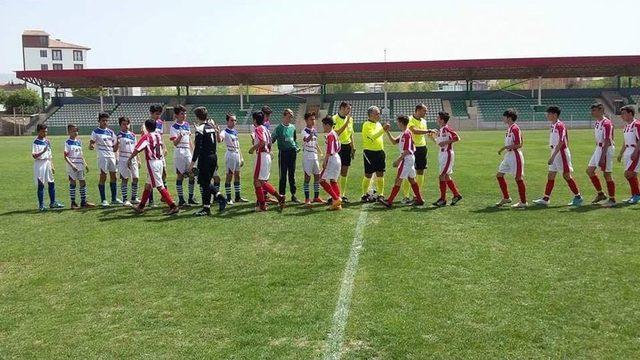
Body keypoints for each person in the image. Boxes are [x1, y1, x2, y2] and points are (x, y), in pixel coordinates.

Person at [532, 106, 583, 206]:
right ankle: (546, 198)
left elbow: (561, 141)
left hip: (561, 153)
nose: (547, 116)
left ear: (554, 115)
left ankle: (578, 197)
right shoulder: (553, 125)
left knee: (566, 175)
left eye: (548, 114)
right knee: (551, 175)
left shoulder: (560, 125)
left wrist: (553, 156)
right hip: (555, 152)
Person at [127, 119, 179, 215]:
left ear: (146, 127)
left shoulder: (147, 137)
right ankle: (141, 207)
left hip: (152, 162)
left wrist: (130, 158)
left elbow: (137, 149)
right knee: (148, 185)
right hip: (159, 161)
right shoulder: (158, 135)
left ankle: (173, 206)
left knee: (159, 186)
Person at [378, 115, 425, 207]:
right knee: (412, 179)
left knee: (398, 179)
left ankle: (390, 201)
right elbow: (394, 141)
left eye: (398, 122)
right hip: (409, 158)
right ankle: (419, 199)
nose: (397, 123)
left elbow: (407, 150)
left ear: (401, 123)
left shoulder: (406, 134)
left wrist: (398, 160)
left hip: (406, 158)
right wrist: (387, 132)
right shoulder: (404, 133)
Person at [190, 106, 227, 216]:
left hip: (205, 158)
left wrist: (192, 164)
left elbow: (197, 148)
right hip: (213, 156)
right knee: (205, 183)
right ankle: (207, 207)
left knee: (204, 182)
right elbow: (214, 143)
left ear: (197, 117)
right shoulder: (211, 127)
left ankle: (219, 198)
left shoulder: (200, 129)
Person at [249, 111, 286, 212]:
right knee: (259, 182)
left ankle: (278, 198)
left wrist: (253, 148)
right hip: (266, 155)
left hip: (261, 155)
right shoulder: (265, 128)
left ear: (255, 120)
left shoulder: (258, 128)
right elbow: (269, 143)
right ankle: (263, 205)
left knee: (258, 181)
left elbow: (263, 142)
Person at [401, 103, 435, 203]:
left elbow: (426, 134)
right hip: (411, 149)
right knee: (408, 172)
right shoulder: (410, 119)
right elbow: (414, 131)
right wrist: (428, 131)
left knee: (420, 171)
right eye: (424, 110)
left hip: (422, 148)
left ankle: (417, 195)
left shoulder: (424, 121)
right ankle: (406, 196)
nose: (426, 112)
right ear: (418, 110)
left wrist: (436, 141)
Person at [586, 102, 617, 207]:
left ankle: (612, 199)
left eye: (594, 110)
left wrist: (603, 156)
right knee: (589, 171)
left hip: (606, 149)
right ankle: (601, 194)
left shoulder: (606, 123)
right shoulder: (597, 122)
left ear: (601, 110)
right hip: (599, 148)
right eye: (592, 110)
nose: (592, 112)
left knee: (607, 174)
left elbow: (608, 140)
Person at [495, 109, 527, 208]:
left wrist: (504, 147)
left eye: (504, 116)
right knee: (499, 175)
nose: (503, 118)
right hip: (508, 156)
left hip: (515, 155)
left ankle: (523, 202)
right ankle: (506, 197)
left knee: (518, 178)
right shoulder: (509, 128)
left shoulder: (515, 128)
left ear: (509, 118)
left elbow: (519, 144)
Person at [89, 112, 121, 207]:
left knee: (114, 176)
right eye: (103, 120)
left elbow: (115, 146)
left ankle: (114, 199)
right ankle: (103, 200)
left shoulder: (111, 132)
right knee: (103, 176)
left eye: (106, 120)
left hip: (111, 155)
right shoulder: (95, 132)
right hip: (102, 156)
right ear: (99, 121)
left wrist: (117, 155)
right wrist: (91, 146)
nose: (105, 122)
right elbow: (91, 143)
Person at [170, 104, 198, 206]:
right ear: (176, 115)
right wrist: (180, 136)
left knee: (192, 174)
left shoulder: (186, 125)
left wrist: (194, 151)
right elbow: (175, 143)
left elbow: (190, 140)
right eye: (182, 113)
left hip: (187, 152)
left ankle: (191, 198)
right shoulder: (173, 127)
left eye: (185, 113)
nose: (184, 115)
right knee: (180, 175)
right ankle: (181, 199)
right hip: (179, 152)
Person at [433, 111, 462, 206]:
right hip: (442, 154)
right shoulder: (441, 130)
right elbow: (439, 143)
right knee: (446, 176)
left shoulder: (446, 128)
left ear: (442, 120)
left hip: (447, 154)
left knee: (442, 176)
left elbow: (457, 138)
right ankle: (456, 195)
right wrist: (433, 138)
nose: (436, 119)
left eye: (438, 118)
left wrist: (446, 142)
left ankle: (443, 199)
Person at [32, 124, 64, 211]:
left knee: (51, 183)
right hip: (40, 164)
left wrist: (52, 165)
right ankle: (41, 206)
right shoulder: (36, 142)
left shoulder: (47, 141)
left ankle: (53, 203)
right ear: (39, 131)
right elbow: (34, 155)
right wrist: (43, 151)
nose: (45, 133)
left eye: (46, 131)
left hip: (47, 163)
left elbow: (50, 154)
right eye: (43, 131)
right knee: (41, 184)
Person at [271, 108, 300, 203]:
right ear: (284, 116)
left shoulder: (293, 127)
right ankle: (281, 196)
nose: (291, 117)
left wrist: (296, 147)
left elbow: (294, 140)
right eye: (289, 116)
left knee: (292, 174)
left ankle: (293, 195)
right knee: (283, 175)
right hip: (283, 153)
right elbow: (272, 139)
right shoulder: (279, 128)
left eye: (292, 116)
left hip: (292, 153)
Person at [63, 124, 94, 209]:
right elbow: (65, 156)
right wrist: (72, 165)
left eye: (76, 130)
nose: (75, 132)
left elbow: (81, 155)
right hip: (72, 166)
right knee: (73, 183)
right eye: (73, 131)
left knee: (83, 182)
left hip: (80, 165)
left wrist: (85, 164)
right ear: (69, 132)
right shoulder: (67, 142)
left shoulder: (79, 142)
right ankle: (73, 203)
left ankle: (83, 202)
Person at [220, 113, 248, 204]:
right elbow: (220, 139)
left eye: (235, 120)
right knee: (229, 176)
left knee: (237, 176)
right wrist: (217, 133)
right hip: (230, 154)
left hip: (236, 154)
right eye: (232, 120)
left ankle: (238, 197)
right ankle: (228, 198)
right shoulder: (224, 131)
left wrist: (241, 157)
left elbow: (238, 146)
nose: (234, 122)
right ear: (227, 121)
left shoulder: (235, 131)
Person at [361, 106, 386, 202]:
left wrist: (382, 129)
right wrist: (383, 130)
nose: (379, 115)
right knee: (368, 175)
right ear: (371, 114)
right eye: (377, 113)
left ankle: (381, 194)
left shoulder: (379, 124)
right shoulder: (366, 125)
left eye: (379, 113)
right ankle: (364, 194)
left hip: (380, 151)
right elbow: (372, 137)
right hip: (369, 152)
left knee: (380, 173)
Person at [332, 101, 356, 202]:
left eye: (349, 109)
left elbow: (351, 134)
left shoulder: (350, 120)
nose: (349, 111)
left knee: (345, 171)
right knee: (335, 171)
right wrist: (346, 122)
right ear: (341, 108)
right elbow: (336, 133)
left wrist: (353, 147)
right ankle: (333, 195)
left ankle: (342, 194)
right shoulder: (334, 119)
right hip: (337, 146)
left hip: (347, 146)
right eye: (347, 109)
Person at [617, 105, 640, 204]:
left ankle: (637, 195)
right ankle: (634, 195)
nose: (621, 116)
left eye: (623, 113)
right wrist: (621, 153)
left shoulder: (637, 124)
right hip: (628, 150)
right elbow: (625, 142)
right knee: (630, 175)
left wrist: (635, 152)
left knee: (629, 173)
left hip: (635, 150)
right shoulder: (626, 126)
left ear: (630, 113)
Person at [319, 115, 343, 210]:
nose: (323, 127)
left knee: (321, 180)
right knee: (333, 181)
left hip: (332, 159)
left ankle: (336, 199)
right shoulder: (334, 134)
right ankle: (337, 204)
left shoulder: (330, 135)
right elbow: (338, 146)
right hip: (337, 158)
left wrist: (325, 161)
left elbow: (329, 150)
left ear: (328, 125)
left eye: (324, 125)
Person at [301, 112, 325, 206]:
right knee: (307, 177)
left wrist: (320, 152)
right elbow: (306, 140)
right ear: (306, 120)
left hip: (314, 156)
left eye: (314, 119)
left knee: (317, 176)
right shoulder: (304, 131)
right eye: (311, 119)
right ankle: (307, 199)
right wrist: (311, 134)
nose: (313, 121)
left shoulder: (314, 130)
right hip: (307, 156)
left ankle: (316, 197)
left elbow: (315, 143)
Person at [115, 117, 140, 207]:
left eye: (127, 124)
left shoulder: (133, 135)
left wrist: (138, 159)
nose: (126, 126)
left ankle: (134, 198)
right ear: (120, 125)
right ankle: (125, 199)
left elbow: (136, 148)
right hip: (123, 159)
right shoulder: (118, 135)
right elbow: (114, 149)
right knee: (125, 179)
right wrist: (117, 143)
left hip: (133, 158)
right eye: (124, 124)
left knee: (136, 177)